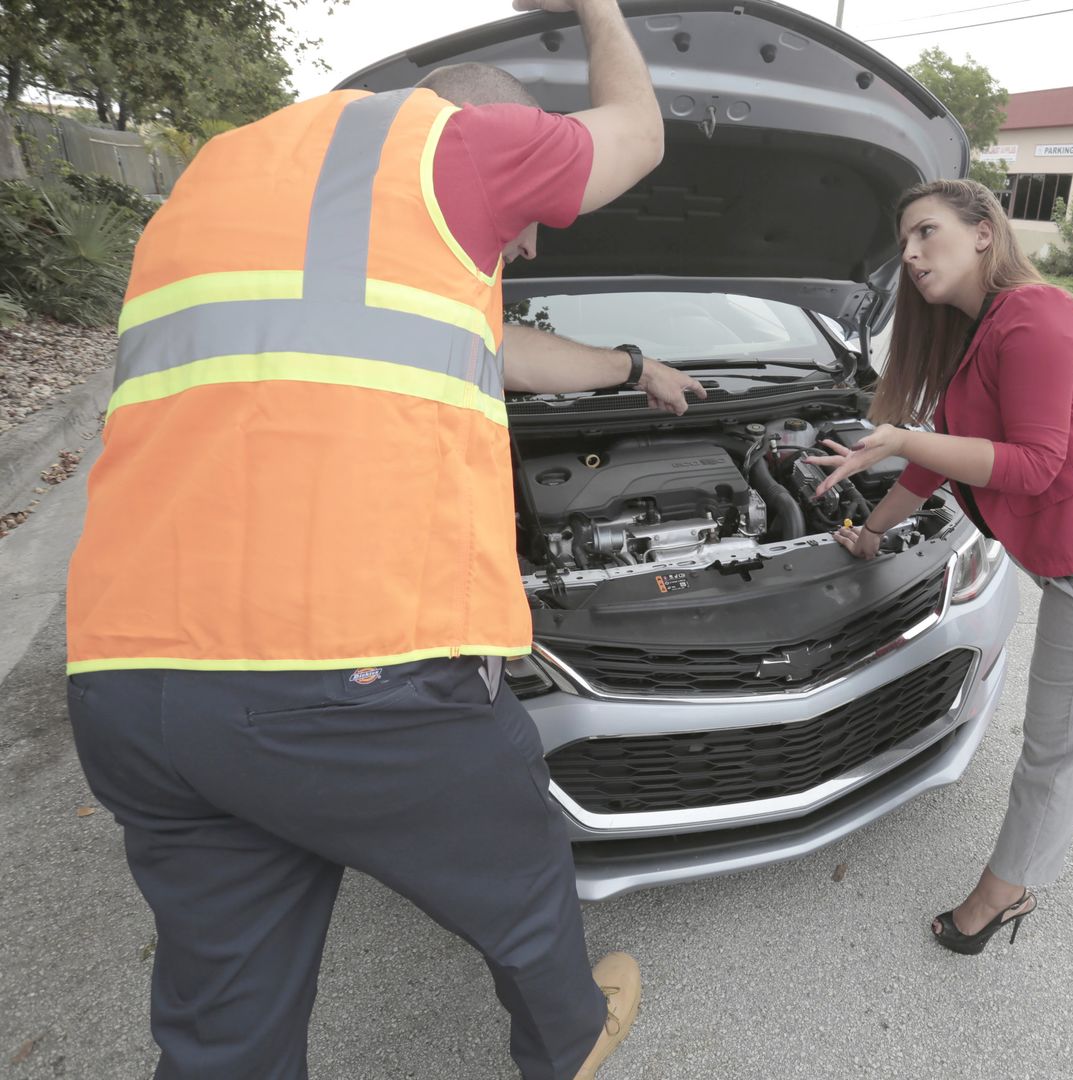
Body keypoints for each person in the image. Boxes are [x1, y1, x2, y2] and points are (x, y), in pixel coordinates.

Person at [62, 2, 698, 1076]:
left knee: (226, 1024)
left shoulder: (218, 177)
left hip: (130, 680)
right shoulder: (452, 140)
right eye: (529, 219)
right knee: (519, 861)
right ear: (491, 128)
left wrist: (634, 370)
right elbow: (640, 127)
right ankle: (573, 1039)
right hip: (341, 666)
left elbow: (487, 343)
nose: (530, 237)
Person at [808, 179, 1073, 956]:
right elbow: (939, 461)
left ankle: (1002, 895)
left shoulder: (1037, 313)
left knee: (1055, 743)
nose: (911, 253)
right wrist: (870, 529)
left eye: (926, 232)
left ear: (982, 234)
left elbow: (1032, 465)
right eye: (904, 242)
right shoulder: (979, 334)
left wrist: (903, 438)